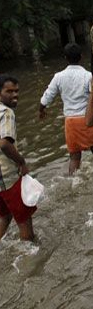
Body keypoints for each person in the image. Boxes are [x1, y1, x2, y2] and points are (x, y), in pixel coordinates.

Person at [39, 42, 93, 174]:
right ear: (81, 56)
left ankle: (73, 183)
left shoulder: (58, 77)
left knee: (74, 158)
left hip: (71, 122)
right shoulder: (87, 76)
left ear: (65, 58)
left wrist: (42, 109)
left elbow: (47, 97)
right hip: (88, 119)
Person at [0, 75, 35, 241]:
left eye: (16, 91)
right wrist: (21, 162)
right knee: (24, 219)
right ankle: (32, 259)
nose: (15, 95)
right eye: (9, 91)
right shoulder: (6, 113)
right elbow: (5, 144)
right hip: (7, 174)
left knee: (4, 217)